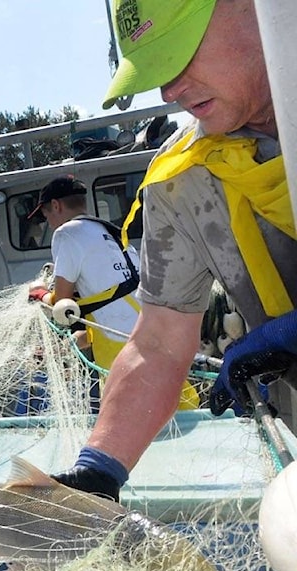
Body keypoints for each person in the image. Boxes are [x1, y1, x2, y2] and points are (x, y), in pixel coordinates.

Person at [52, 0, 297, 502]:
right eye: (157, 68)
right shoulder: (180, 178)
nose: (169, 90)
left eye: (181, 52)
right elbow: (159, 342)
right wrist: (99, 471)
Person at [26, 176, 199, 408]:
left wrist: (40, 293)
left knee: (132, 419)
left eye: (46, 215)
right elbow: (112, 305)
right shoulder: (111, 232)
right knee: (176, 407)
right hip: (155, 331)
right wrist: (70, 345)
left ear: (56, 205)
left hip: (122, 347)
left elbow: (62, 304)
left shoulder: (66, 233)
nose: (49, 223)